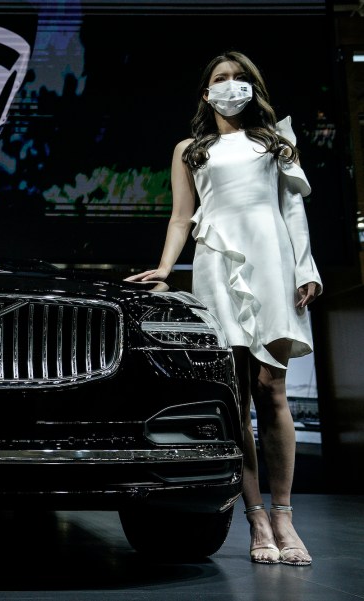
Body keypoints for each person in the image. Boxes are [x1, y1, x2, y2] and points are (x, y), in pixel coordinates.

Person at [126, 51, 319, 566]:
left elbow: (292, 208)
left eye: (239, 79)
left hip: (272, 259)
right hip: (217, 263)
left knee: (271, 387)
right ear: (205, 91)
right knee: (234, 398)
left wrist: (306, 269)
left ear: (253, 88)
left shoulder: (276, 141)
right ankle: (255, 517)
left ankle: (284, 515)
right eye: (220, 79)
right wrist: (165, 268)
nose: (230, 86)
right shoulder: (191, 150)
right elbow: (180, 218)